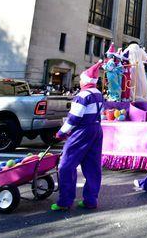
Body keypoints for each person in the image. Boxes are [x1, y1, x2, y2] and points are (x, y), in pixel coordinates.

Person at [51, 61, 105, 211]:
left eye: (81, 79)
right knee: (92, 166)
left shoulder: (82, 96)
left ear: (85, 81)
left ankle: (65, 201)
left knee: (66, 165)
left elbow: (74, 118)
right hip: (96, 129)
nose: (80, 81)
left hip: (82, 131)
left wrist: (61, 133)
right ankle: (90, 200)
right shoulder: (98, 94)